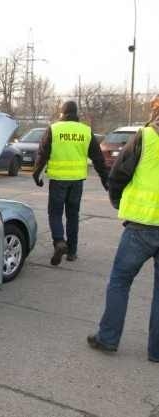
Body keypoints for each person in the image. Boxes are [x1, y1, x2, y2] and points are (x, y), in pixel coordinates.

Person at [88, 94, 159, 363]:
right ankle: (156, 350)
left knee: (119, 281)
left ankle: (108, 338)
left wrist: (118, 201)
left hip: (141, 226)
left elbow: (118, 173)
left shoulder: (146, 136)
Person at [33, 101, 109, 265]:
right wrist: (106, 180)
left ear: (62, 113)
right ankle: (72, 252)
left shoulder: (54, 129)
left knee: (55, 213)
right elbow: (98, 158)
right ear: (76, 114)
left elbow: (42, 154)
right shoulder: (86, 131)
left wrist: (36, 174)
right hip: (77, 182)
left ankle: (59, 242)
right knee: (73, 215)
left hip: (58, 181)